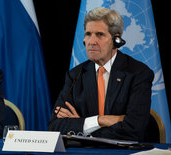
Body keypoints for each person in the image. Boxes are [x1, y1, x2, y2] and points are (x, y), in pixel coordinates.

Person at [48, 7, 154, 142]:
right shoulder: (75, 75)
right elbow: (55, 126)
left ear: (116, 40)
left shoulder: (138, 73)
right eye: (88, 34)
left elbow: (134, 130)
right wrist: (100, 120)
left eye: (100, 34)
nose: (91, 42)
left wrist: (82, 125)